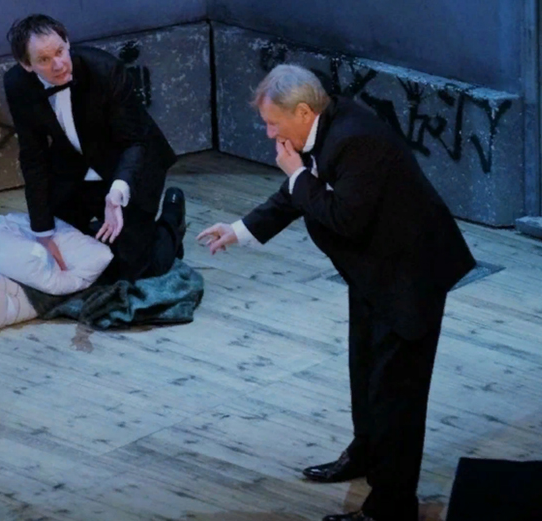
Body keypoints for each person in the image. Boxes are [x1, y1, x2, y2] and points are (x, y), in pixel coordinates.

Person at [197, 64, 475, 521]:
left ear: (303, 112)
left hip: (409, 277)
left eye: (273, 123)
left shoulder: (355, 140)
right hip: (372, 272)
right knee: (364, 373)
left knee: (396, 396)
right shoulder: (325, 125)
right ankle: (366, 454)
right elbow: (297, 191)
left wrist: (297, 176)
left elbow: (343, 216)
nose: (269, 134)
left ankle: (390, 508)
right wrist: (240, 230)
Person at [4, 14, 185, 284]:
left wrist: (117, 192)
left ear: (67, 42)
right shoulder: (17, 84)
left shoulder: (105, 69)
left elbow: (135, 141)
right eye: (44, 59)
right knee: (57, 256)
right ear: (26, 64)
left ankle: (172, 218)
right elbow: (33, 156)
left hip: (129, 165)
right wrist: (43, 231)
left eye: (60, 51)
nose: (58, 65)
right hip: (74, 167)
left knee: (136, 269)